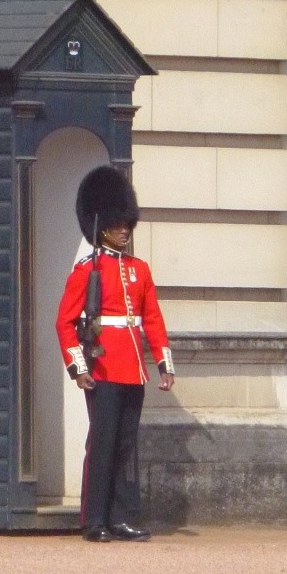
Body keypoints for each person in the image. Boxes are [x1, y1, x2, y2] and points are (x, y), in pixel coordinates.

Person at [55, 165, 175, 542]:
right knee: (103, 442)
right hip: (103, 366)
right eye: (117, 223)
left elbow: (151, 320)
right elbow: (65, 322)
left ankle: (121, 517)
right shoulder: (87, 270)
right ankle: (94, 521)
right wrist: (78, 367)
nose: (124, 229)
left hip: (132, 369)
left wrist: (164, 365)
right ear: (102, 224)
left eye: (127, 223)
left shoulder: (139, 270)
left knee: (125, 444)